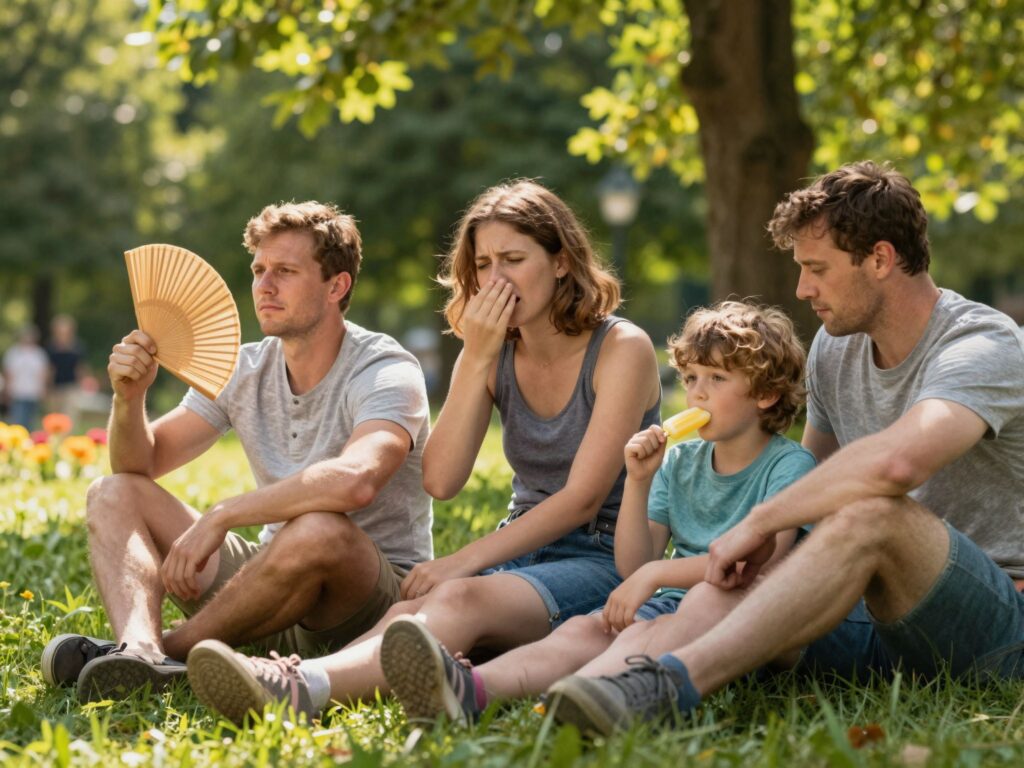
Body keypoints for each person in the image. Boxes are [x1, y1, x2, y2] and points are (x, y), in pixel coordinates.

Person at [543, 161, 1024, 735]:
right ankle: (584, 689)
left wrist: (758, 521)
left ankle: (670, 686)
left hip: (993, 623)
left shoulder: (981, 344)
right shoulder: (835, 349)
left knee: (874, 511)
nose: (802, 289)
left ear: (879, 258)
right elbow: (814, 490)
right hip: (871, 623)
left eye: (816, 269)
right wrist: (757, 552)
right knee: (741, 578)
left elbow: (899, 462)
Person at [182, 179, 663, 725]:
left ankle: (303, 687)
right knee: (412, 612)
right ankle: (306, 677)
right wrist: (477, 357)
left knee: (457, 601)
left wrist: (462, 561)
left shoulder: (622, 348)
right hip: (521, 543)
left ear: (560, 262)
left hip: (602, 555)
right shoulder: (494, 351)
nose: (495, 279)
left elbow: (582, 499)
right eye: (483, 264)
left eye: (513, 259)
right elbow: (442, 479)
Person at [39, 201, 432, 703]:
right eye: (258, 270)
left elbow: (357, 479)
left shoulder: (385, 368)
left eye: (285, 272)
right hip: (263, 594)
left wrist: (224, 513)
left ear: (337, 286)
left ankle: (167, 653)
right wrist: (128, 398)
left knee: (318, 527)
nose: (264, 286)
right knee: (113, 491)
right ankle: (137, 650)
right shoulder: (241, 368)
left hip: (361, 602)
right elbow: (140, 465)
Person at [379, 300, 817, 725]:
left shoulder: (789, 466)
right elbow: (634, 564)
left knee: (656, 628)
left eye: (717, 378)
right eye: (690, 377)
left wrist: (655, 577)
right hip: (671, 601)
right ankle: (471, 689)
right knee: (583, 632)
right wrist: (639, 480)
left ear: (766, 394)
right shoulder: (679, 463)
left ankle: (576, 698)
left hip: (745, 618)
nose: (698, 392)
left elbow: (763, 560)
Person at [2, 324, 49, 430]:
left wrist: (43, 389)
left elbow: (43, 373)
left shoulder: (39, 354)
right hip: (17, 392)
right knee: (17, 421)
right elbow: (8, 373)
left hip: (34, 392)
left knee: (31, 422)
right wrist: (7, 390)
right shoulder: (13, 353)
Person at [47, 314, 88, 426]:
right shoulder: (51, 347)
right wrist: (48, 387)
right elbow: (50, 369)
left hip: (71, 386)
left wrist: (81, 385)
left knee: (70, 417)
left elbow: (80, 368)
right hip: (56, 387)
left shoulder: (78, 347)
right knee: (55, 418)